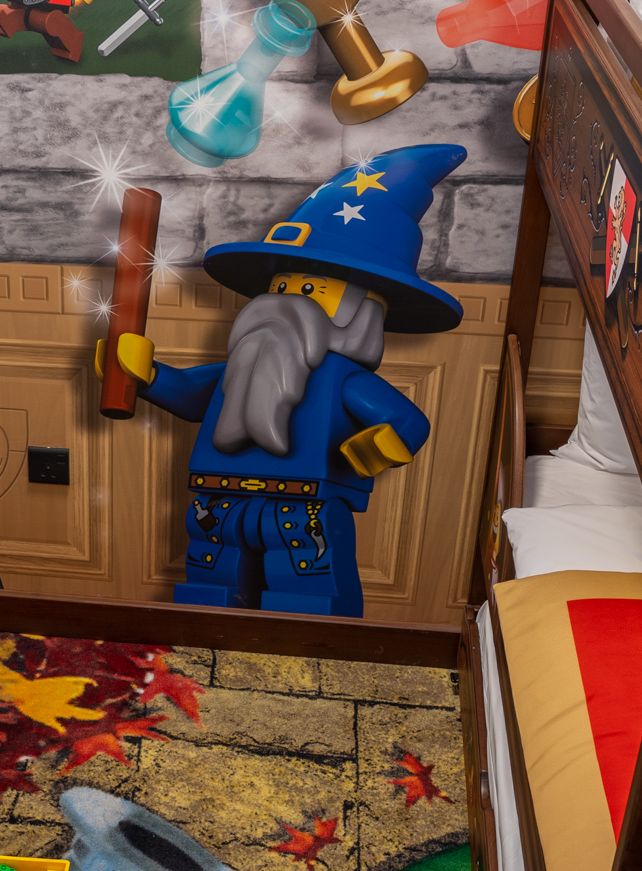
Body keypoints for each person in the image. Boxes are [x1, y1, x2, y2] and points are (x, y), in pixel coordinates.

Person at [99, 144, 468, 617]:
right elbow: (194, 396)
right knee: (211, 584)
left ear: (362, 316)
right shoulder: (244, 366)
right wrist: (146, 375)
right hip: (218, 501)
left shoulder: (344, 380)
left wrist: (378, 446)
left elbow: (408, 422)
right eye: (281, 286)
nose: (284, 300)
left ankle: (313, 653)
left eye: (310, 290)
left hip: (303, 509)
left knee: (307, 593)